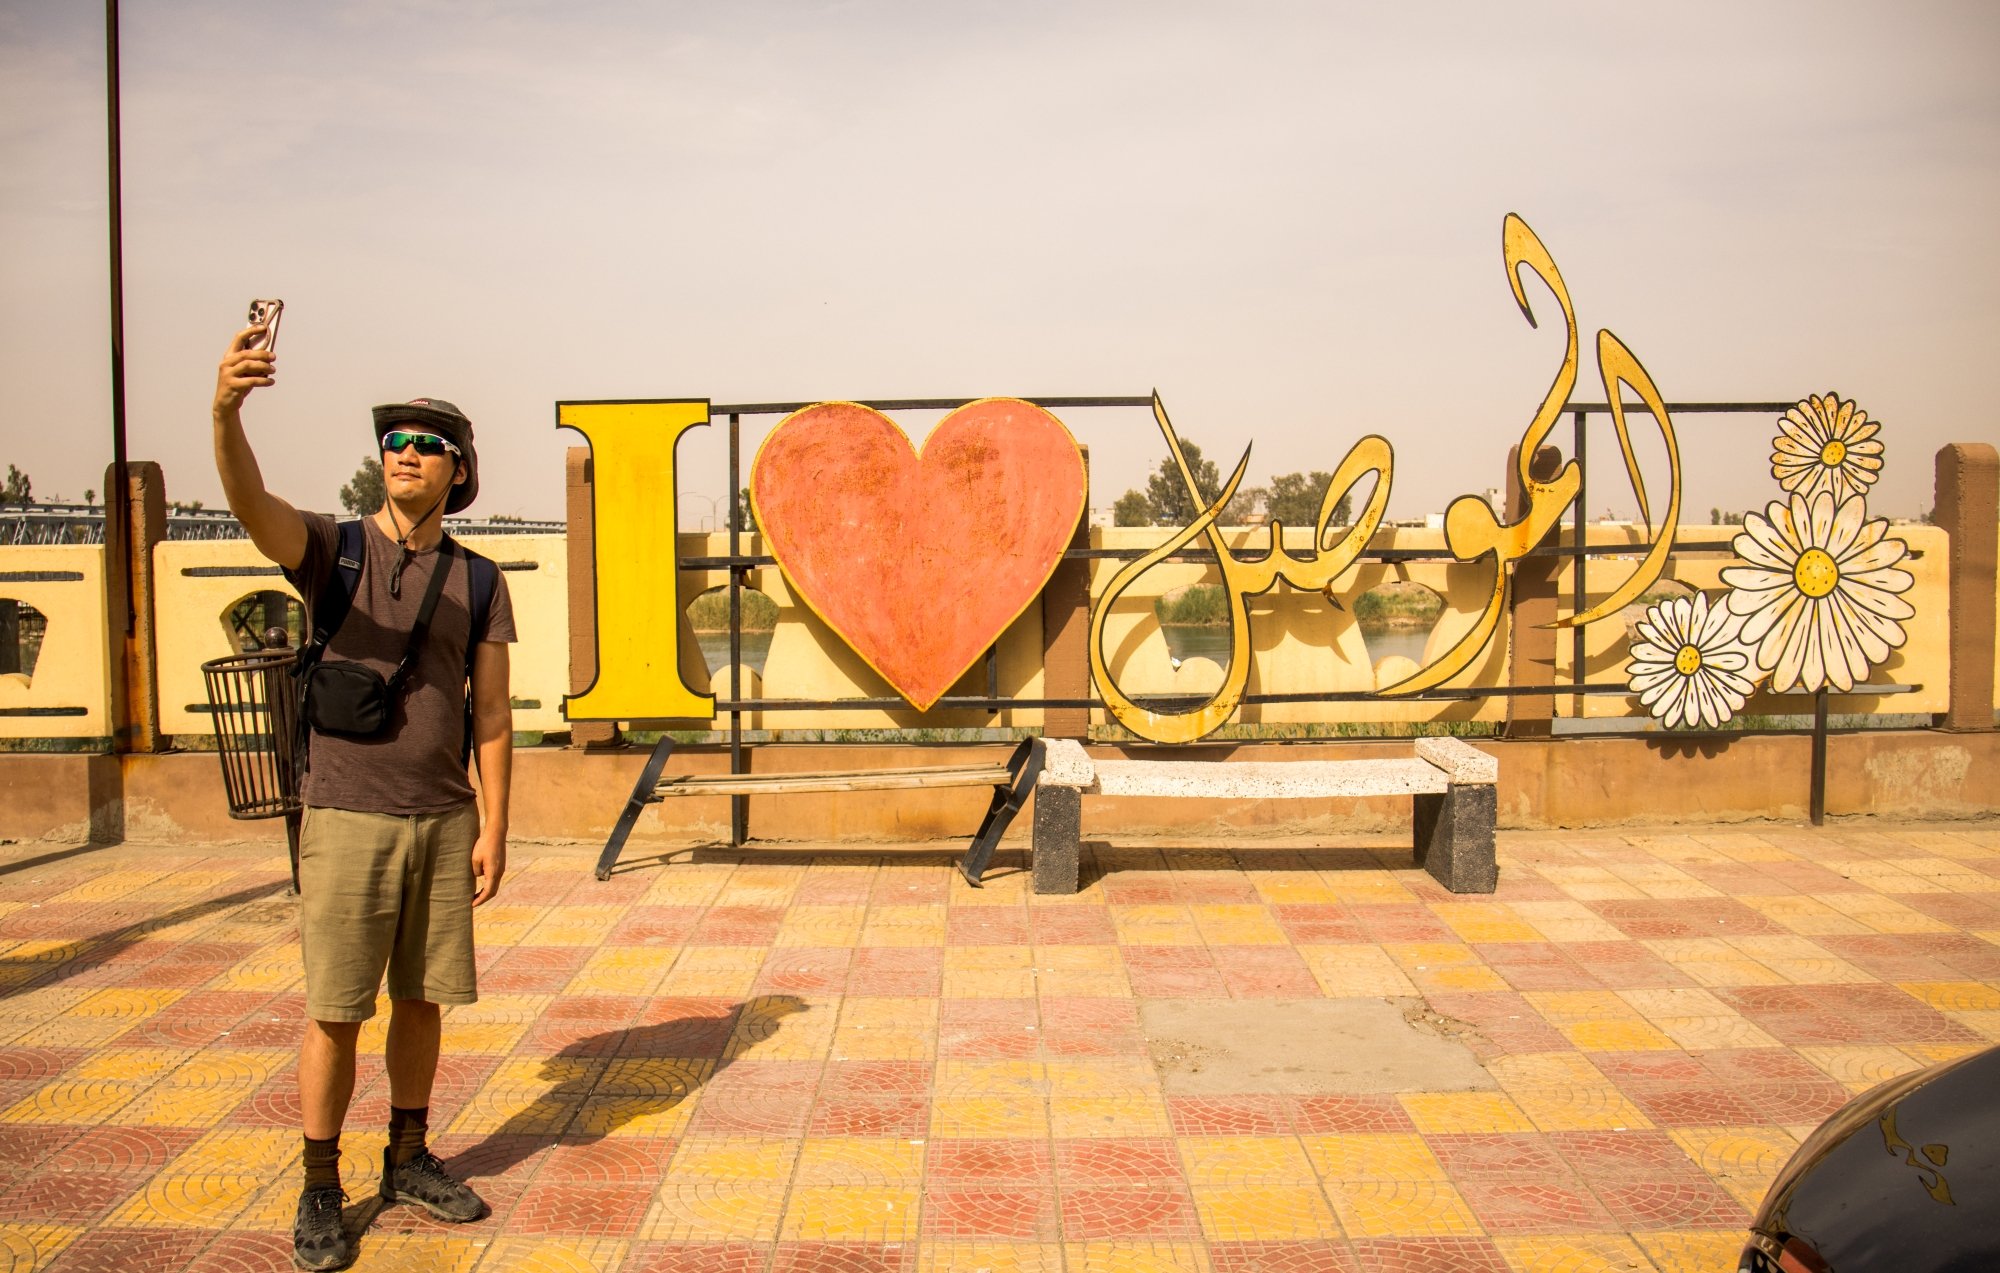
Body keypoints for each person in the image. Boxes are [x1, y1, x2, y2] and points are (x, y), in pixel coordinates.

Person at [212, 323, 516, 1271]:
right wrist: (225, 411)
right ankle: (318, 1185)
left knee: (423, 1000)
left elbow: (494, 714)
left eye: (426, 443)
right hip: (345, 815)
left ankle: (409, 1155)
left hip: (440, 815)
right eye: (393, 441)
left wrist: (494, 825)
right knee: (336, 1009)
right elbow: (249, 502)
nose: (405, 453)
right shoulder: (331, 550)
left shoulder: (479, 577)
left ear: (458, 469)